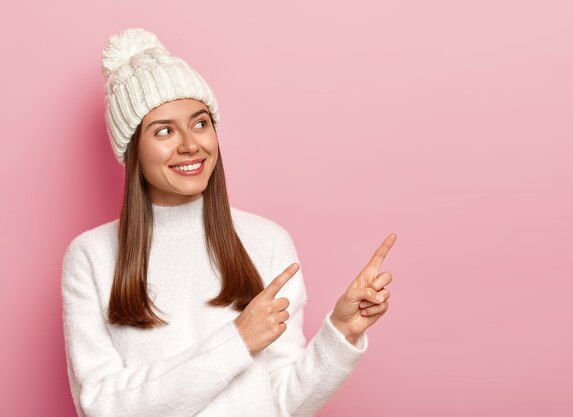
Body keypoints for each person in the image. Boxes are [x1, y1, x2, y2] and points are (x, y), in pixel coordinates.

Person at [61, 27, 396, 417]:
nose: (190, 144)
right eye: (165, 130)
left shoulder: (266, 241)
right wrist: (236, 342)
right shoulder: (92, 256)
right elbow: (101, 407)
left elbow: (283, 402)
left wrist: (341, 332)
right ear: (133, 148)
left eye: (200, 123)